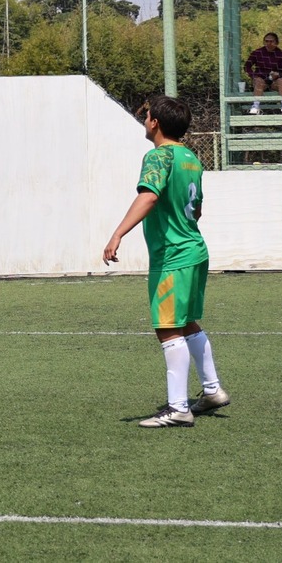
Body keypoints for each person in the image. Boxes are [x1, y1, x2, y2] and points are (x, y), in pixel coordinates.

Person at [102, 96, 228, 428]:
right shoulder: (190, 158)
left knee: (168, 327)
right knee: (186, 323)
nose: (145, 121)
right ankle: (213, 391)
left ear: (155, 123)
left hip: (173, 256)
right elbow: (196, 209)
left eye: (147, 117)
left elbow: (150, 195)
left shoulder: (158, 156)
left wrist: (117, 234)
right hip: (194, 250)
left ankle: (178, 409)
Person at [242, 32, 282, 115]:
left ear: (276, 42)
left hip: (274, 82)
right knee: (259, 81)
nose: (269, 43)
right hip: (260, 81)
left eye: (271, 41)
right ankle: (255, 106)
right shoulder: (257, 52)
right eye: (266, 41)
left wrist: (278, 74)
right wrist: (254, 76)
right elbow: (247, 66)